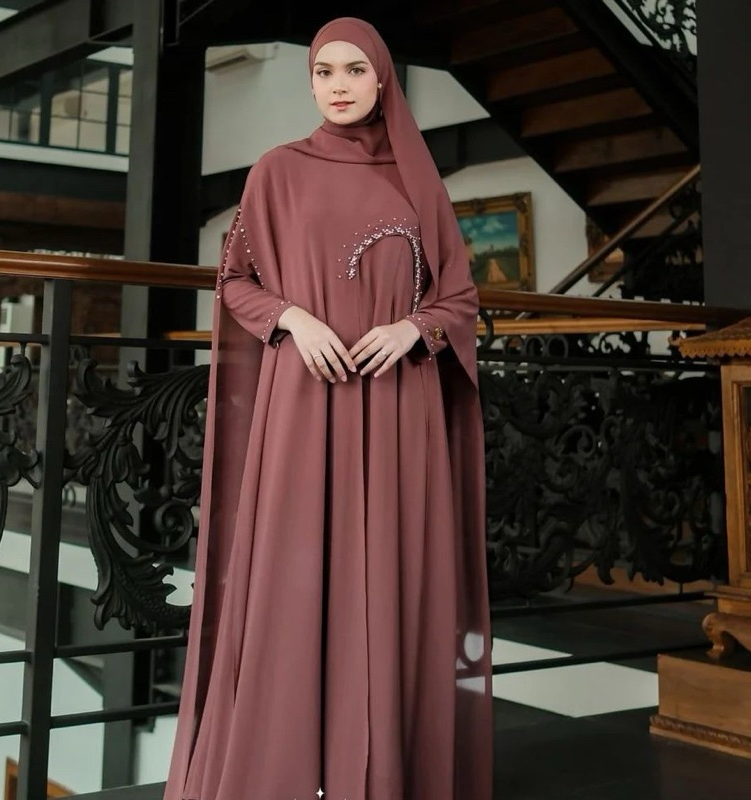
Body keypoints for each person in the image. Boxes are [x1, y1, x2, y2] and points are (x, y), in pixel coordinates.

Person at [164, 17, 491, 800]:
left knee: (391, 582)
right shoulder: (277, 171)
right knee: (294, 572)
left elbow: (459, 298)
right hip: (304, 402)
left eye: (353, 70)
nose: (338, 86)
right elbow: (234, 280)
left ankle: (381, 775)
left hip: (398, 405)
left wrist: (413, 329)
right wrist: (292, 319)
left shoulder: (417, 180)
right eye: (323, 72)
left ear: (382, 79)